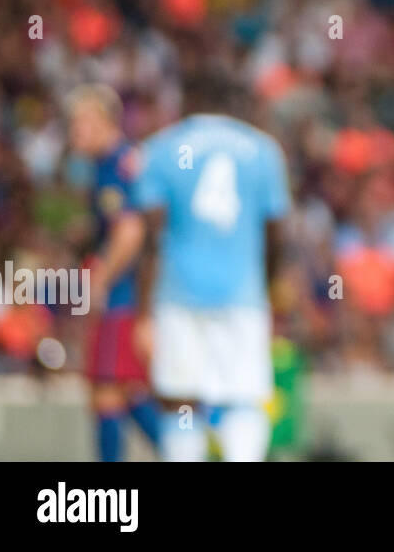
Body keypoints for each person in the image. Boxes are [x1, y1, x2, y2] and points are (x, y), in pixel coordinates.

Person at [130, 78, 291, 461]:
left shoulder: (161, 148)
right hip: (243, 294)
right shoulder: (264, 150)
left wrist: (143, 311)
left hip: (178, 292)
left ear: (189, 99)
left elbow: (151, 237)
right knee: (243, 396)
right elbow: (277, 233)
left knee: (179, 398)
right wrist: (265, 289)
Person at [66, 84, 159, 461]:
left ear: (103, 122)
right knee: (125, 388)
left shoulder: (115, 166)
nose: (74, 133)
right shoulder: (113, 164)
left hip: (123, 296)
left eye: (80, 124)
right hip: (134, 296)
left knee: (108, 387)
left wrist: (98, 279)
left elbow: (131, 232)